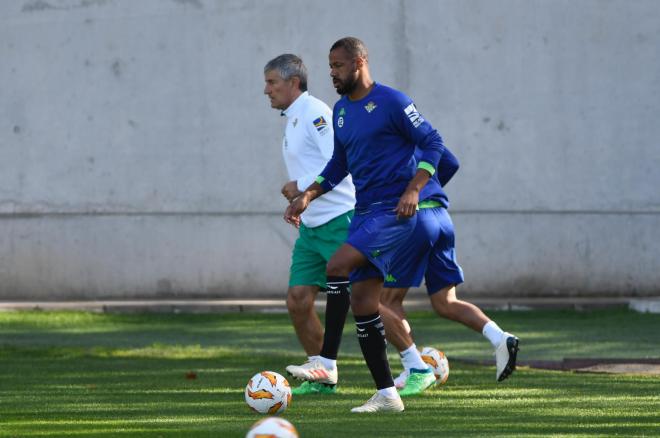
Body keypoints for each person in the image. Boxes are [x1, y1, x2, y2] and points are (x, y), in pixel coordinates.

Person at [284, 37, 446, 413]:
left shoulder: (393, 102)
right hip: (364, 211)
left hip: (395, 211)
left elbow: (433, 143)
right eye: (330, 68)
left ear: (359, 63)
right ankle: (388, 394)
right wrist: (308, 195)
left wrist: (414, 190)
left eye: (338, 66)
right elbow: (338, 166)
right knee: (362, 301)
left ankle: (326, 363)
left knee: (337, 266)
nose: (332, 74)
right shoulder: (341, 112)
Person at [379, 150, 520, 397]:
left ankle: (415, 369)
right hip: (441, 217)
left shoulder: (382, 132)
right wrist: (428, 189)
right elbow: (451, 163)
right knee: (446, 302)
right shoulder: (419, 132)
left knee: (385, 302)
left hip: (414, 218)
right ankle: (500, 338)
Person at [263, 54, 356, 395]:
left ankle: (414, 362)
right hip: (311, 226)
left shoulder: (316, 112)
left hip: (338, 221)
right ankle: (322, 376)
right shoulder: (293, 118)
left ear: (293, 82)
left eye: (272, 82)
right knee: (298, 300)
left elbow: (339, 161)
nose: (266, 90)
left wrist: (300, 185)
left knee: (364, 301)